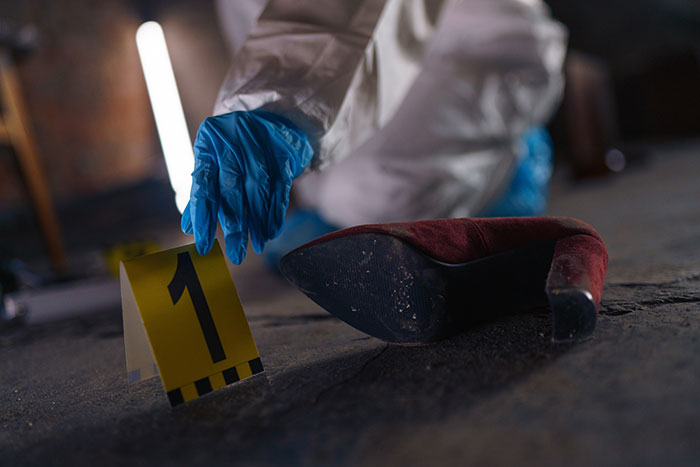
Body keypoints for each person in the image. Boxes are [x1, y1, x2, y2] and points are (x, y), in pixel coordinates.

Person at [181, 0, 567, 266]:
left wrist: (272, 105)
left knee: (374, 197)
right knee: (327, 193)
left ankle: (512, 161)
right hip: (344, 66)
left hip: (472, 51)